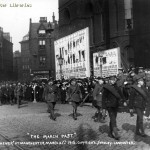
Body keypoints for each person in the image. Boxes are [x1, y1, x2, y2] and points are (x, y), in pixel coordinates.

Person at [102, 76, 122, 140]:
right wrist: (104, 108)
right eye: (112, 80)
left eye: (114, 80)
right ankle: (116, 133)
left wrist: (124, 100)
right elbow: (103, 98)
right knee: (113, 119)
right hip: (109, 105)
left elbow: (121, 94)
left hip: (116, 105)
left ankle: (110, 132)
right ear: (109, 80)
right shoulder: (106, 88)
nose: (113, 81)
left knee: (113, 119)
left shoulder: (117, 87)